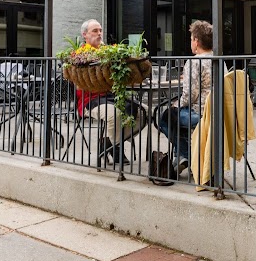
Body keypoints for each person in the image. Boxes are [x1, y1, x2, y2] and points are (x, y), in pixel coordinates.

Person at [75, 19, 144, 165]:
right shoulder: (80, 56)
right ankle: (116, 149)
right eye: (95, 31)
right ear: (85, 35)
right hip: (90, 100)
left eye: (100, 30)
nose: (99, 34)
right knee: (115, 114)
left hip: (112, 96)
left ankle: (106, 144)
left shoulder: (109, 53)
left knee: (145, 112)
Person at [158, 20, 215, 175]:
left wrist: (178, 104)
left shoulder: (194, 62)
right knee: (176, 117)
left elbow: (190, 95)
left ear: (196, 41)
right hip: (217, 112)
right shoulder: (218, 60)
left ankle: (190, 157)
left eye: (191, 39)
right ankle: (181, 157)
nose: (191, 42)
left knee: (165, 118)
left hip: (200, 114)